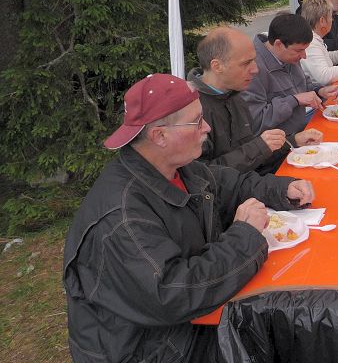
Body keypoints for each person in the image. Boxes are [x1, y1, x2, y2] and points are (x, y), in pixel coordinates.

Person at [63, 73, 316, 363]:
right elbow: (174, 293)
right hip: (153, 349)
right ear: (160, 136)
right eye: (196, 121)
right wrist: (244, 236)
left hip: (182, 328)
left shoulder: (174, 166)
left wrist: (281, 189)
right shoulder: (123, 218)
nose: (207, 127)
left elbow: (229, 184)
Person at [187, 27, 323, 175]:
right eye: (246, 63)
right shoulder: (191, 111)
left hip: (256, 179)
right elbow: (201, 176)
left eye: (254, 60)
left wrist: (293, 140)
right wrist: (260, 148)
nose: (255, 69)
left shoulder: (235, 96)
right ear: (217, 66)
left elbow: (254, 151)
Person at [242, 13, 338, 135]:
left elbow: (304, 86)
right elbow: (256, 121)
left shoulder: (288, 56)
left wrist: (320, 91)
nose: (304, 56)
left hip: (301, 129)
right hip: (282, 142)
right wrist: (294, 100)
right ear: (278, 44)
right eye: (299, 50)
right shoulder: (253, 70)